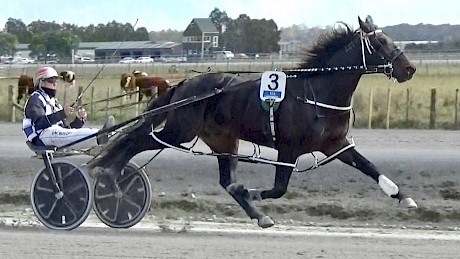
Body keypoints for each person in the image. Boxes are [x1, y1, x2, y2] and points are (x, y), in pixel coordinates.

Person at [22, 66, 114, 150]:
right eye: (51, 81)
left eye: (56, 81)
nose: (55, 84)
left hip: (53, 134)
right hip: (40, 136)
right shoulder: (35, 99)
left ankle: (111, 135)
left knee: (73, 135)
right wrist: (62, 114)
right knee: (70, 135)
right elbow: (39, 123)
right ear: (40, 82)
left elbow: (67, 130)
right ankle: (101, 135)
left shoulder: (54, 102)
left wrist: (79, 121)